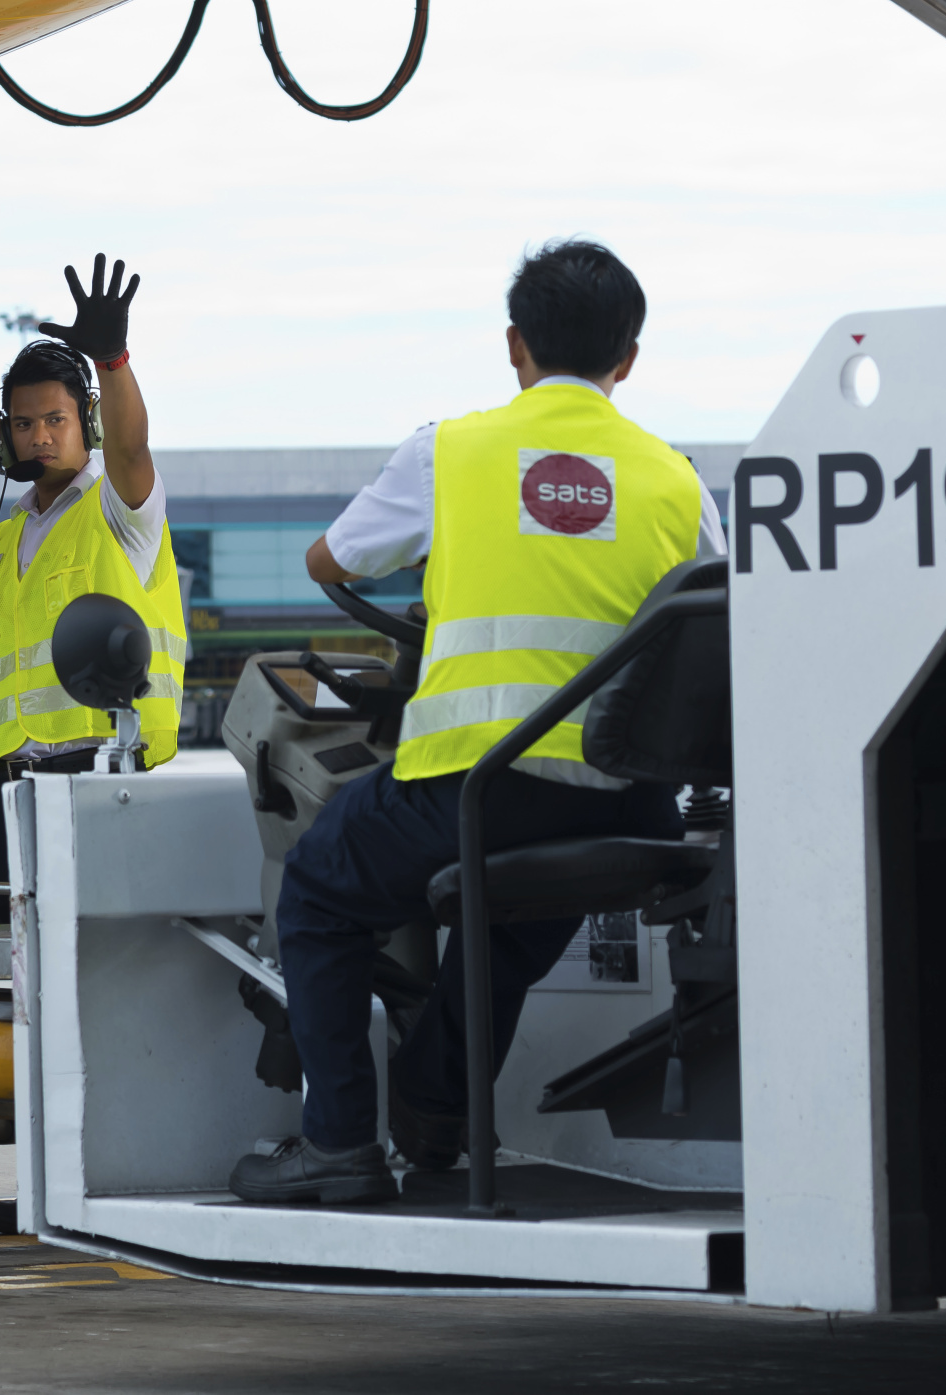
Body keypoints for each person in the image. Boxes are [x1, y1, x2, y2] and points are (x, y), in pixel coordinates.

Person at [230, 239, 726, 1206]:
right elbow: (705, 616)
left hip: (476, 783)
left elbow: (331, 561)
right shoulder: (675, 479)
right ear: (628, 357)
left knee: (321, 897)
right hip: (630, 807)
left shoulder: (449, 450)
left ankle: (339, 1144)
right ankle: (436, 1108)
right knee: (503, 930)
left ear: (515, 346)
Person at [0, 256, 189, 1234]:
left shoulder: (120, 511)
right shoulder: (1, 544)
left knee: (93, 989)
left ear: (79, 420)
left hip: (95, 777)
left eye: (54, 418)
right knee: (30, 997)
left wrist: (112, 360)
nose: (38, 436)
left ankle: (109, 1177)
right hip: (8, 794)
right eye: (22, 422)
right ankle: (48, 1185)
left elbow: (134, 444)